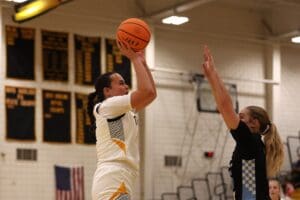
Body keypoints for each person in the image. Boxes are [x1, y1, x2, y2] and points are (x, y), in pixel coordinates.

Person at [201, 46, 284, 200]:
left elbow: (225, 105)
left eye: (241, 117)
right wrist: (212, 75)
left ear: (254, 122)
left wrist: (213, 76)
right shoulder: (251, 144)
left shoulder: (250, 141)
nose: (237, 119)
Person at [87, 40, 156, 200]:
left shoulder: (124, 111)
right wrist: (134, 59)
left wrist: (143, 64)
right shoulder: (107, 107)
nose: (126, 87)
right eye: (121, 83)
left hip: (123, 175)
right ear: (107, 91)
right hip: (112, 176)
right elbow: (145, 91)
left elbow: (151, 93)